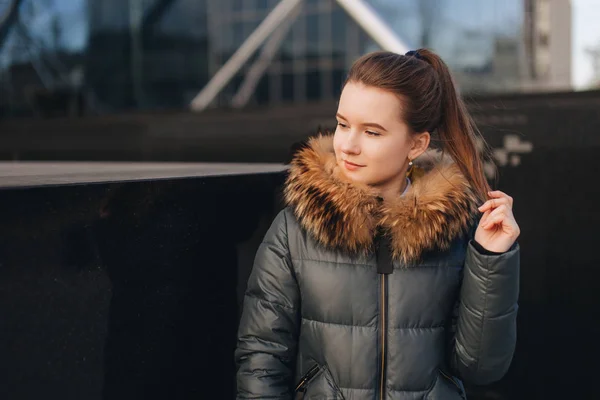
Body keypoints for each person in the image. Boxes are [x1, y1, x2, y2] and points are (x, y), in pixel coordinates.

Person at [235, 49, 520, 400]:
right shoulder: (295, 229)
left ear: (416, 144)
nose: (348, 145)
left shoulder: (458, 230)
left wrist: (490, 258)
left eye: (371, 132)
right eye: (342, 124)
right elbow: (261, 359)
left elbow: (481, 367)